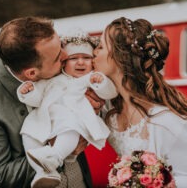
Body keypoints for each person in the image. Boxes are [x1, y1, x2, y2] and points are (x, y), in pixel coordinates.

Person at [0, 16, 103, 188]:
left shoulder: (53, 68)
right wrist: (54, 151)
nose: (66, 56)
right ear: (32, 74)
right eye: (58, 56)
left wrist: (89, 106)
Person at [93, 17, 187, 187]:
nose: (94, 52)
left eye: (100, 46)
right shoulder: (110, 109)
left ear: (120, 58)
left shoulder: (167, 121)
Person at [17, 31, 117, 188]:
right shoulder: (52, 80)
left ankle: (55, 157)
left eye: (86, 58)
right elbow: (37, 97)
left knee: (70, 129)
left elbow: (110, 92)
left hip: (74, 118)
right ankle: (44, 172)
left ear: (93, 61)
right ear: (64, 62)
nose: (80, 62)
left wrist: (100, 82)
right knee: (28, 132)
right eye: (74, 58)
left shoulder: (90, 79)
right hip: (45, 118)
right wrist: (28, 92)